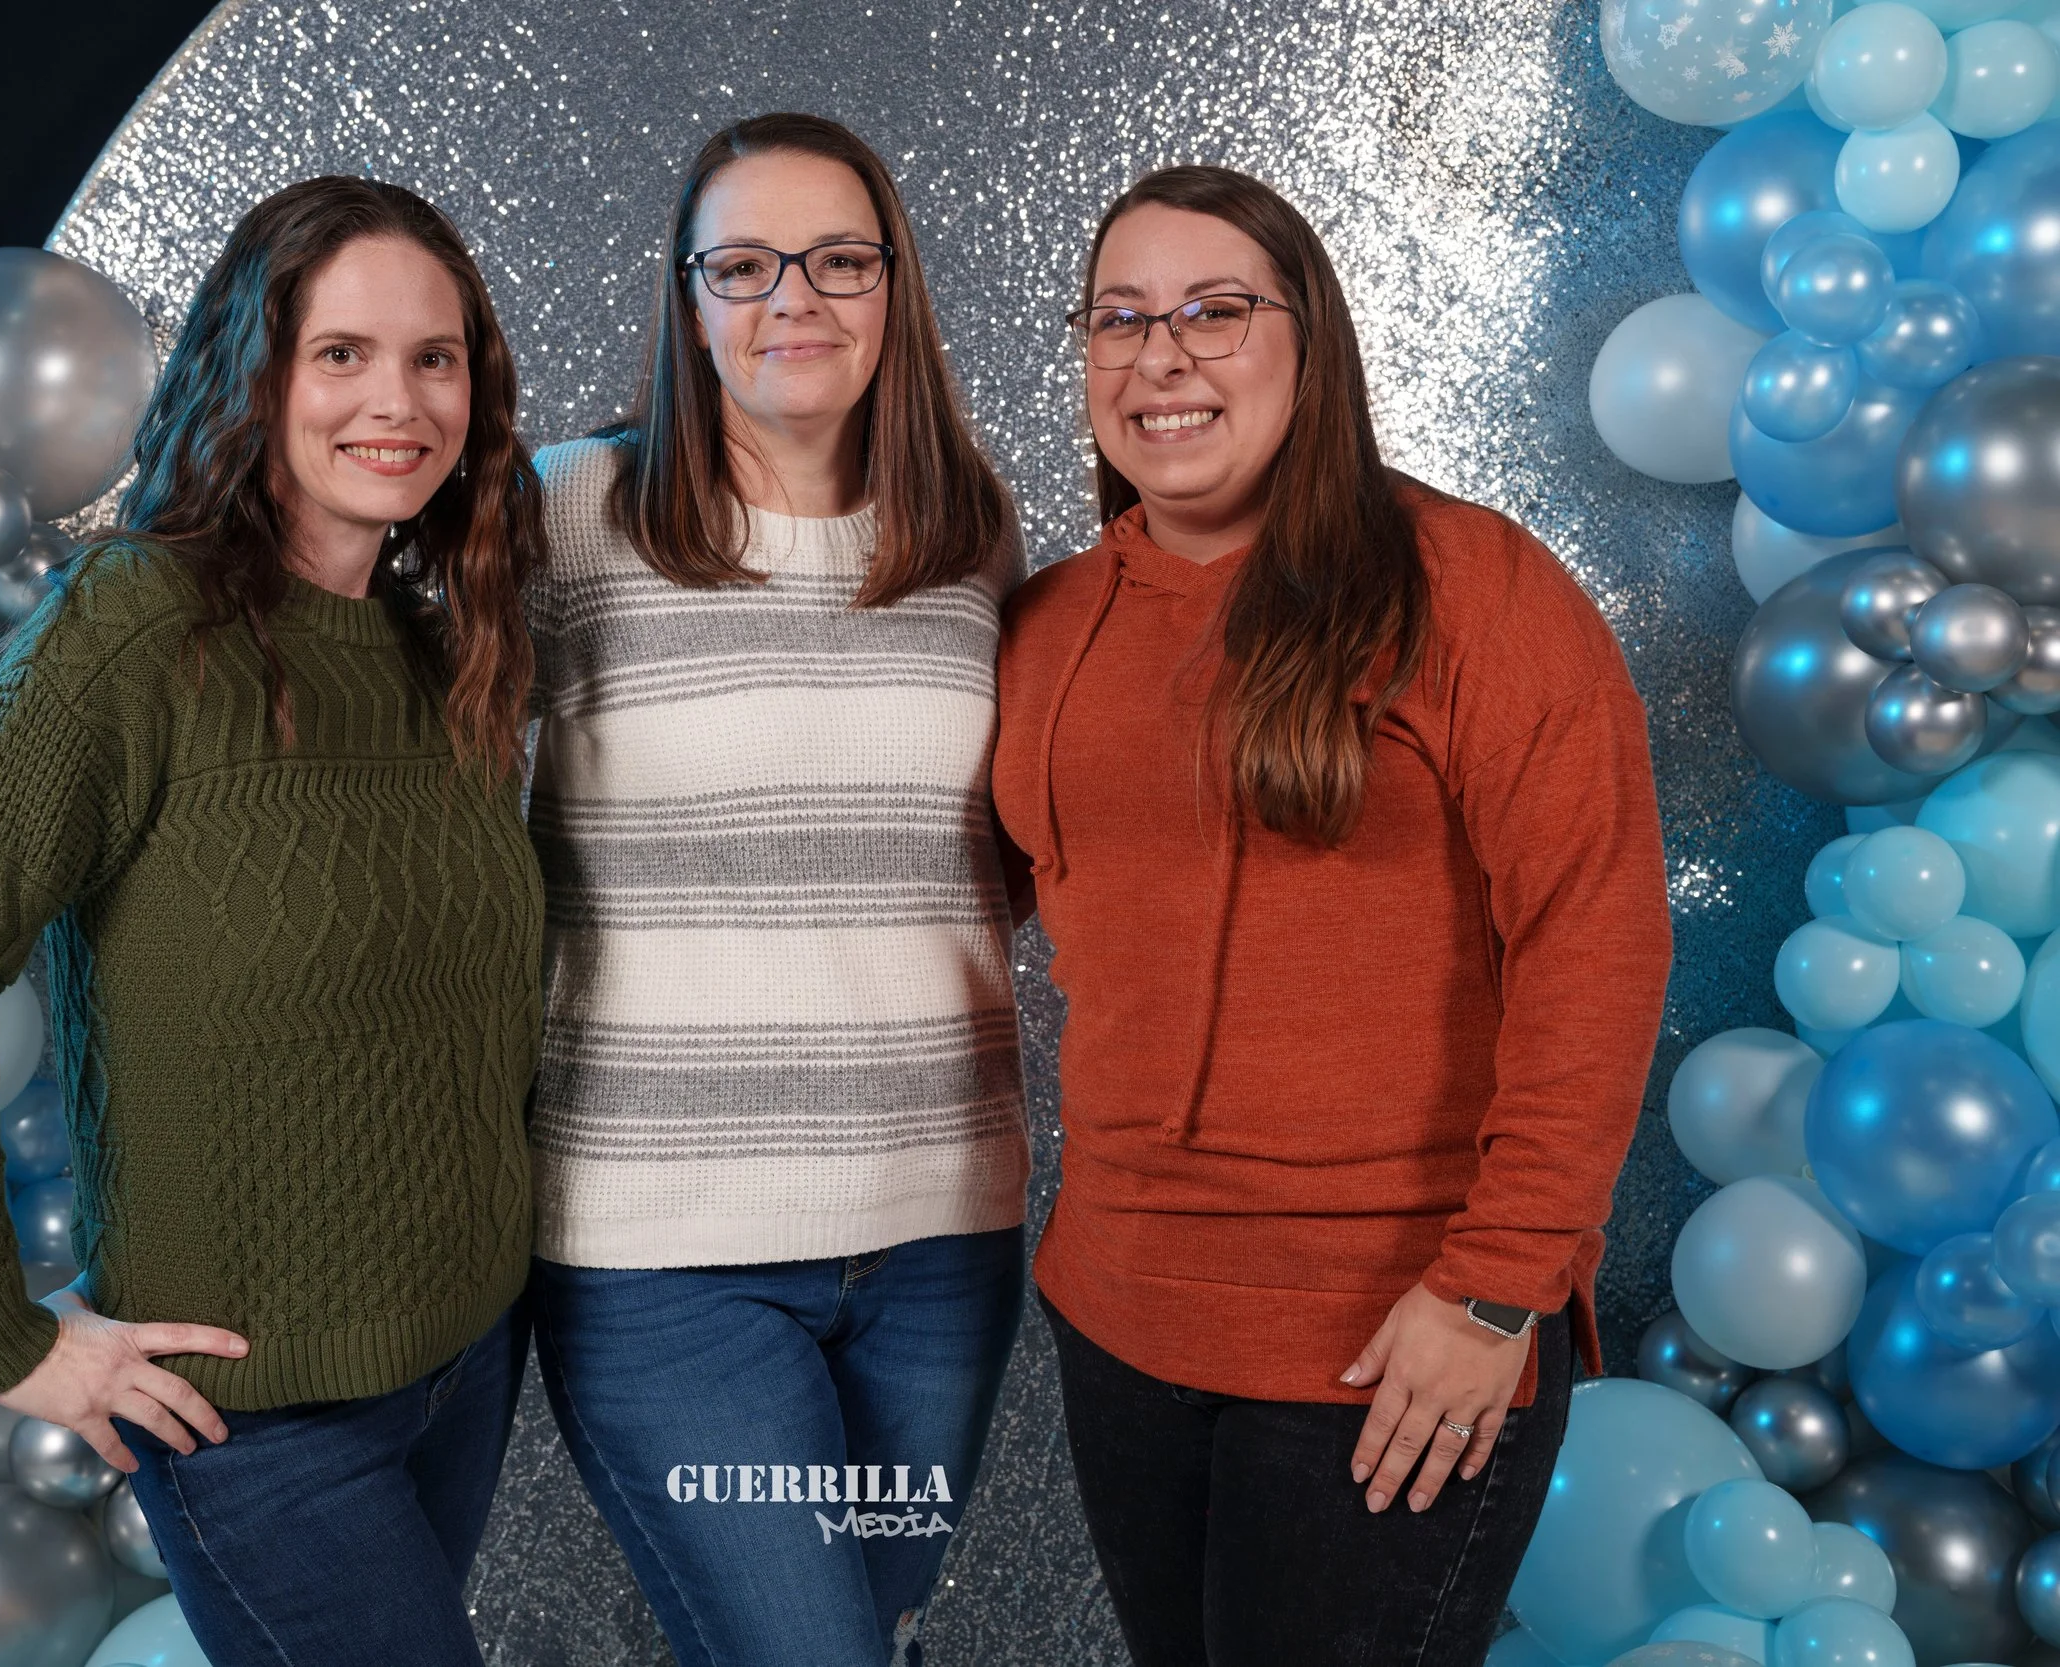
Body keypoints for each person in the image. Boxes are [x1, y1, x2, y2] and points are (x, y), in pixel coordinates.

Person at [0, 175, 549, 1667]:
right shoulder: (139, 625)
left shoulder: (445, 655)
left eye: (436, 357)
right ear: (255, 370)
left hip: (468, 1356)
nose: (395, 400)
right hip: (257, 1415)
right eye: (338, 352)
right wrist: (7, 1338)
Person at [995, 164, 1672, 1667]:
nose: (1159, 356)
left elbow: (1597, 943)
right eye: (1119, 318)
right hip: (1123, 1322)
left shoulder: (1473, 586)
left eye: (1215, 312)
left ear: (1314, 338)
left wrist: (1498, 1292)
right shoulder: (1041, 627)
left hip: (1396, 1337)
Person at [522, 112, 1030, 1667]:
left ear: (895, 292)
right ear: (687, 301)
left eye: (837, 260)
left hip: (945, 1238)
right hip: (665, 1246)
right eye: (740, 264)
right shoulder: (565, 513)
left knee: (869, 1632)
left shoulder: (975, 540)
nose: (790, 298)